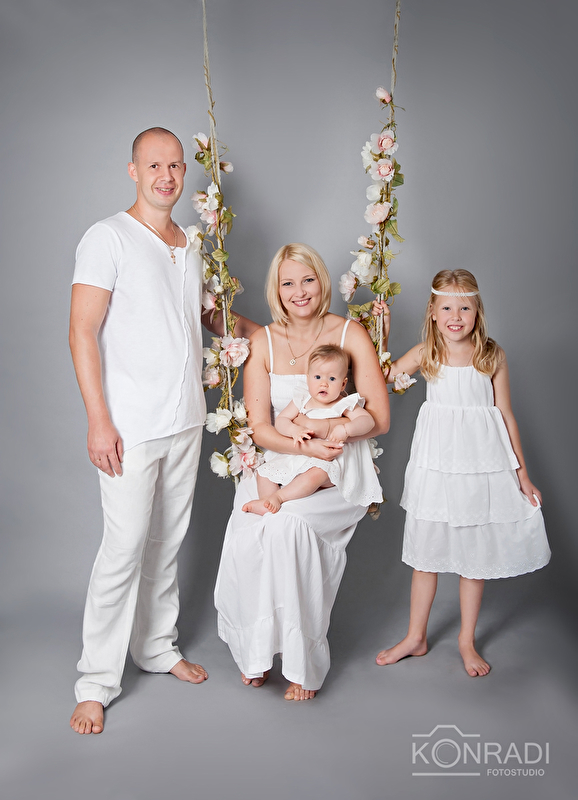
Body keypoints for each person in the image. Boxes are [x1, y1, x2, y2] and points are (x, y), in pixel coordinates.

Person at [68, 127, 257, 734]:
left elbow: (205, 313)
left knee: (166, 542)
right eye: (154, 166)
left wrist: (270, 334)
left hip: (186, 419)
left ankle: (155, 646)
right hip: (129, 423)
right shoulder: (107, 237)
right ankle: (95, 683)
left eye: (175, 165)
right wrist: (99, 419)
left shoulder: (190, 243)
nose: (167, 176)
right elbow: (81, 329)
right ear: (133, 170)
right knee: (123, 547)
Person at [214, 243, 390, 700]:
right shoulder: (263, 342)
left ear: (322, 282)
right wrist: (301, 442)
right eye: (288, 282)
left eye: (308, 280)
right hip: (280, 459)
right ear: (276, 289)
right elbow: (261, 428)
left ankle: (301, 664)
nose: (299, 291)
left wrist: (326, 433)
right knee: (253, 531)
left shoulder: (350, 333)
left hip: (335, 468)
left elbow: (379, 419)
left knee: (287, 528)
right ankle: (256, 652)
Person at [374, 269, 551, 676]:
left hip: (478, 465)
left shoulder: (491, 355)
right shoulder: (426, 352)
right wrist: (383, 333)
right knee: (425, 556)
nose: (456, 317)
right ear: (433, 312)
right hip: (437, 465)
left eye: (465, 308)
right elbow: (384, 377)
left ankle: (466, 640)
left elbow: (506, 415)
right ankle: (415, 636)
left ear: (477, 312)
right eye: (447, 308)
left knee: (474, 557)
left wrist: (522, 474)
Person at [242, 343, 383, 515]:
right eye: (317, 377)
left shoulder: (344, 403)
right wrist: (293, 430)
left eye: (332, 379)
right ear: (308, 378)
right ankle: (266, 501)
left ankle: (279, 497)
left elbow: (367, 421)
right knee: (264, 472)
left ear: (343, 384)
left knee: (316, 474)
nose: (324, 384)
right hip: (302, 455)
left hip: (331, 461)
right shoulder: (302, 399)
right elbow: (282, 420)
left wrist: (346, 429)